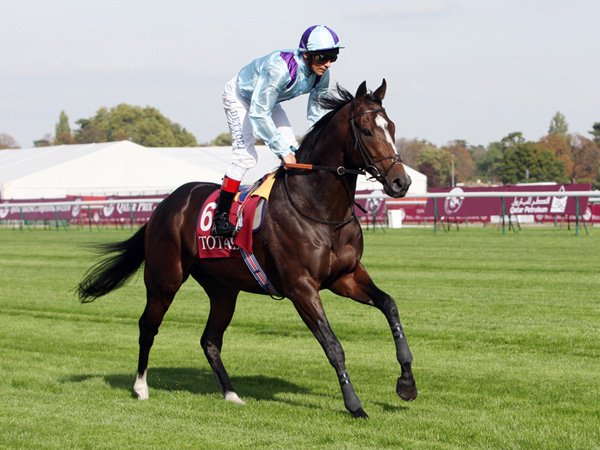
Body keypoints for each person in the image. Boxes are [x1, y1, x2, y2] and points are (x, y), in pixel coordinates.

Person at [212, 24, 343, 237]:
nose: (328, 64)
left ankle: (289, 214)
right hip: (240, 97)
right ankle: (221, 217)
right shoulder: (279, 69)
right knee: (246, 156)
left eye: (333, 57)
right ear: (306, 54)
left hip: (268, 102)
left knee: (295, 153)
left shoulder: (322, 75)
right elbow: (258, 114)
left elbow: (317, 116)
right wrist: (283, 152)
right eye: (322, 57)